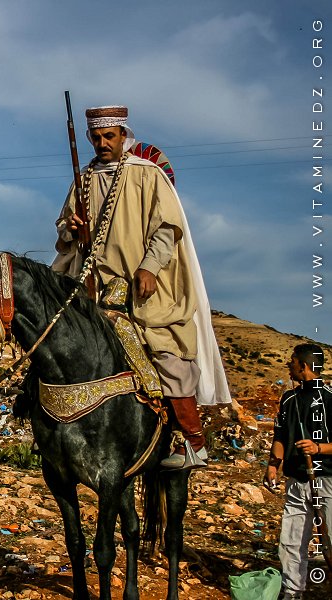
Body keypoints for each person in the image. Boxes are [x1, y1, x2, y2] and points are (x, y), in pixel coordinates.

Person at [51, 105, 230, 469]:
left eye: (109, 136)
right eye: (97, 137)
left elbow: (167, 228)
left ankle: (193, 442)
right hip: (93, 288)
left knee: (168, 353)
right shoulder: (82, 179)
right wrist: (71, 226)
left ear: (123, 136)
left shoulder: (145, 175)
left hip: (142, 285)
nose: (102, 143)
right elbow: (64, 229)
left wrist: (149, 267)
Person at [263, 344, 332, 600]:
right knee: (291, 539)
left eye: (292, 362)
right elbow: (280, 434)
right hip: (297, 480)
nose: (288, 366)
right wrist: (273, 463)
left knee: (331, 539)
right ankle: (293, 590)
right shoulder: (288, 398)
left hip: (327, 479)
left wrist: (318, 447)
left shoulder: (330, 398)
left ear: (303, 366)